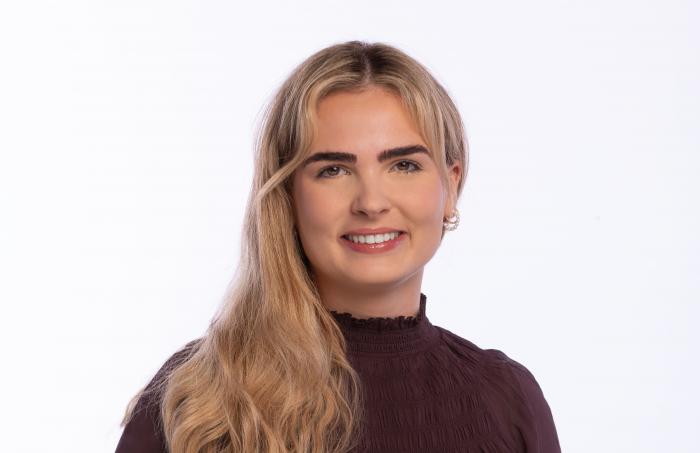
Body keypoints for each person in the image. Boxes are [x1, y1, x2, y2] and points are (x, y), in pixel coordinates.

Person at [115, 40, 561, 453]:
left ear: (451, 184)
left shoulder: (508, 401)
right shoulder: (199, 398)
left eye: (404, 165)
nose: (371, 202)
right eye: (333, 170)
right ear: (288, 196)